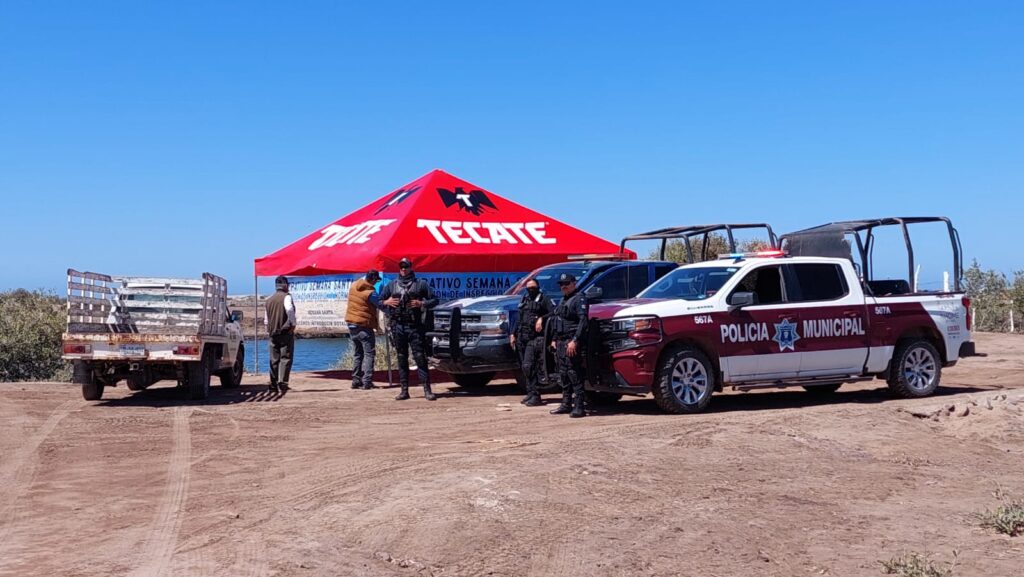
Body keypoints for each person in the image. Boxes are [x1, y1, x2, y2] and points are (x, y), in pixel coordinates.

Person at [380, 258, 439, 401]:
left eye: (406, 267)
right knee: (401, 358)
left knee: (420, 357)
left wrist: (421, 303)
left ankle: (427, 390)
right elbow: (379, 301)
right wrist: (386, 302)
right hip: (398, 326)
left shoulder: (420, 284)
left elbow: (435, 300)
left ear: (411, 268)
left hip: (415, 326)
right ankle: (404, 391)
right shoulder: (392, 285)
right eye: (401, 267)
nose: (403, 269)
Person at [549, 273, 588, 418]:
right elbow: (557, 320)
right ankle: (565, 404)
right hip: (560, 342)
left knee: (574, 373)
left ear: (574, 283)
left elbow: (583, 322)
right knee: (563, 375)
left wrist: (575, 340)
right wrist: (554, 339)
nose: (563, 286)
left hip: (571, 342)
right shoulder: (564, 300)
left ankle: (579, 406)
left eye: (566, 283)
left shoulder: (579, 299)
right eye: (561, 284)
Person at [510, 278, 553, 407]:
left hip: (534, 338)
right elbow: (518, 318)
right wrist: (512, 333)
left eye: (533, 288)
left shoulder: (544, 299)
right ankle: (530, 392)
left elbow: (553, 313)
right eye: (528, 288)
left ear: (538, 287)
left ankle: (536, 395)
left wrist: (541, 318)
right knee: (525, 367)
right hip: (521, 337)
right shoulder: (525, 299)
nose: (530, 290)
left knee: (530, 366)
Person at [346, 270, 381, 390]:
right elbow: (381, 305)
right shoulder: (370, 293)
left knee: (357, 353)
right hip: (364, 326)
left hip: (351, 324)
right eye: (376, 280)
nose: (376, 283)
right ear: (372, 279)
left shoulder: (354, 286)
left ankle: (356, 380)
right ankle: (367, 381)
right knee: (369, 354)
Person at [264, 275, 296, 392]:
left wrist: (268, 329)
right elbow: (289, 310)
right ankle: (282, 382)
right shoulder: (287, 297)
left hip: (272, 333)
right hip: (285, 332)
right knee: (285, 357)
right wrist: (293, 324)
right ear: (286, 285)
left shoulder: (269, 300)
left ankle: (273, 382)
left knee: (274, 358)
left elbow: (266, 319)